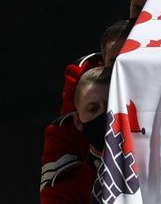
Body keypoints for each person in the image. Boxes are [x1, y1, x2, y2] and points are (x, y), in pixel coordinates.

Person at [41, 66, 111, 203]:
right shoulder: (65, 189)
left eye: (111, 106)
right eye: (93, 109)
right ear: (78, 121)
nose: (104, 115)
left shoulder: (155, 169)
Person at [60, 19, 131, 115]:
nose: (123, 69)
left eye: (130, 62)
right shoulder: (79, 79)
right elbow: (67, 125)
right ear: (102, 65)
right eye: (115, 63)